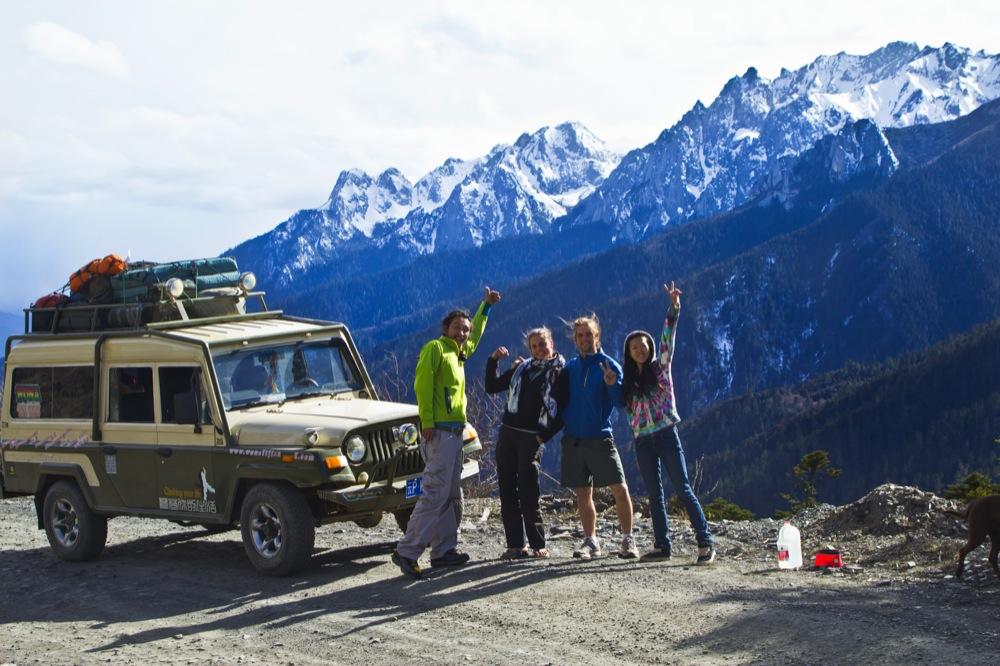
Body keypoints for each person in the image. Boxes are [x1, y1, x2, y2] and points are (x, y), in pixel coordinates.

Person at [392, 287, 502, 579]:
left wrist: (486, 307)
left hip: (455, 434)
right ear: (446, 328)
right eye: (457, 328)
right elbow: (422, 386)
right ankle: (407, 550)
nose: (463, 333)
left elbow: (476, 334)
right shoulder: (436, 349)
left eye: (464, 329)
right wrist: (426, 421)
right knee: (434, 493)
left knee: (451, 495)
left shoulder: (460, 353)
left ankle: (443, 552)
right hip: (438, 433)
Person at [622, 281, 715, 564]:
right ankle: (662, 545)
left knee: (682, 487)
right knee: (654, 494)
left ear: (650, 348)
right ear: (629, 352)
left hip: (665, 434)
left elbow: (668, 337)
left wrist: (674, 307)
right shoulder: (628, 382)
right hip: (642, 440)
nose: (639, 349)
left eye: (643, 345)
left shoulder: (660, 367)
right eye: (634, 347)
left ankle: (705, 541)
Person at [554, 314, 639, 560]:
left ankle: (627, 539)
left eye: (588, 334)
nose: (584, 339)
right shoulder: (570, 367)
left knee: (620, 489)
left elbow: (620, 402)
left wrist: (612, 383)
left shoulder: (609, 365)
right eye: (579, 335)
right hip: (573, 439)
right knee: (583, 493)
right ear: (574, 338)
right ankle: (591, 541)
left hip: (600, 437)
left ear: (597, 336)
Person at [485, 327, 564, 560]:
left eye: (543, 343)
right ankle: (516, 546)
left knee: (529, 491)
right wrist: (493, 361)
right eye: (535, 345)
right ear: (530, 349)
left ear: (552, 343)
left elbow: (562, 410)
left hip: (531, 438)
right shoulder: (521, 369)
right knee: (507, 491)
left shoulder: (560, 373)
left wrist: (543, 437)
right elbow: (492, 386)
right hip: (508, 435)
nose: (540, 349)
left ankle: (538, 544)